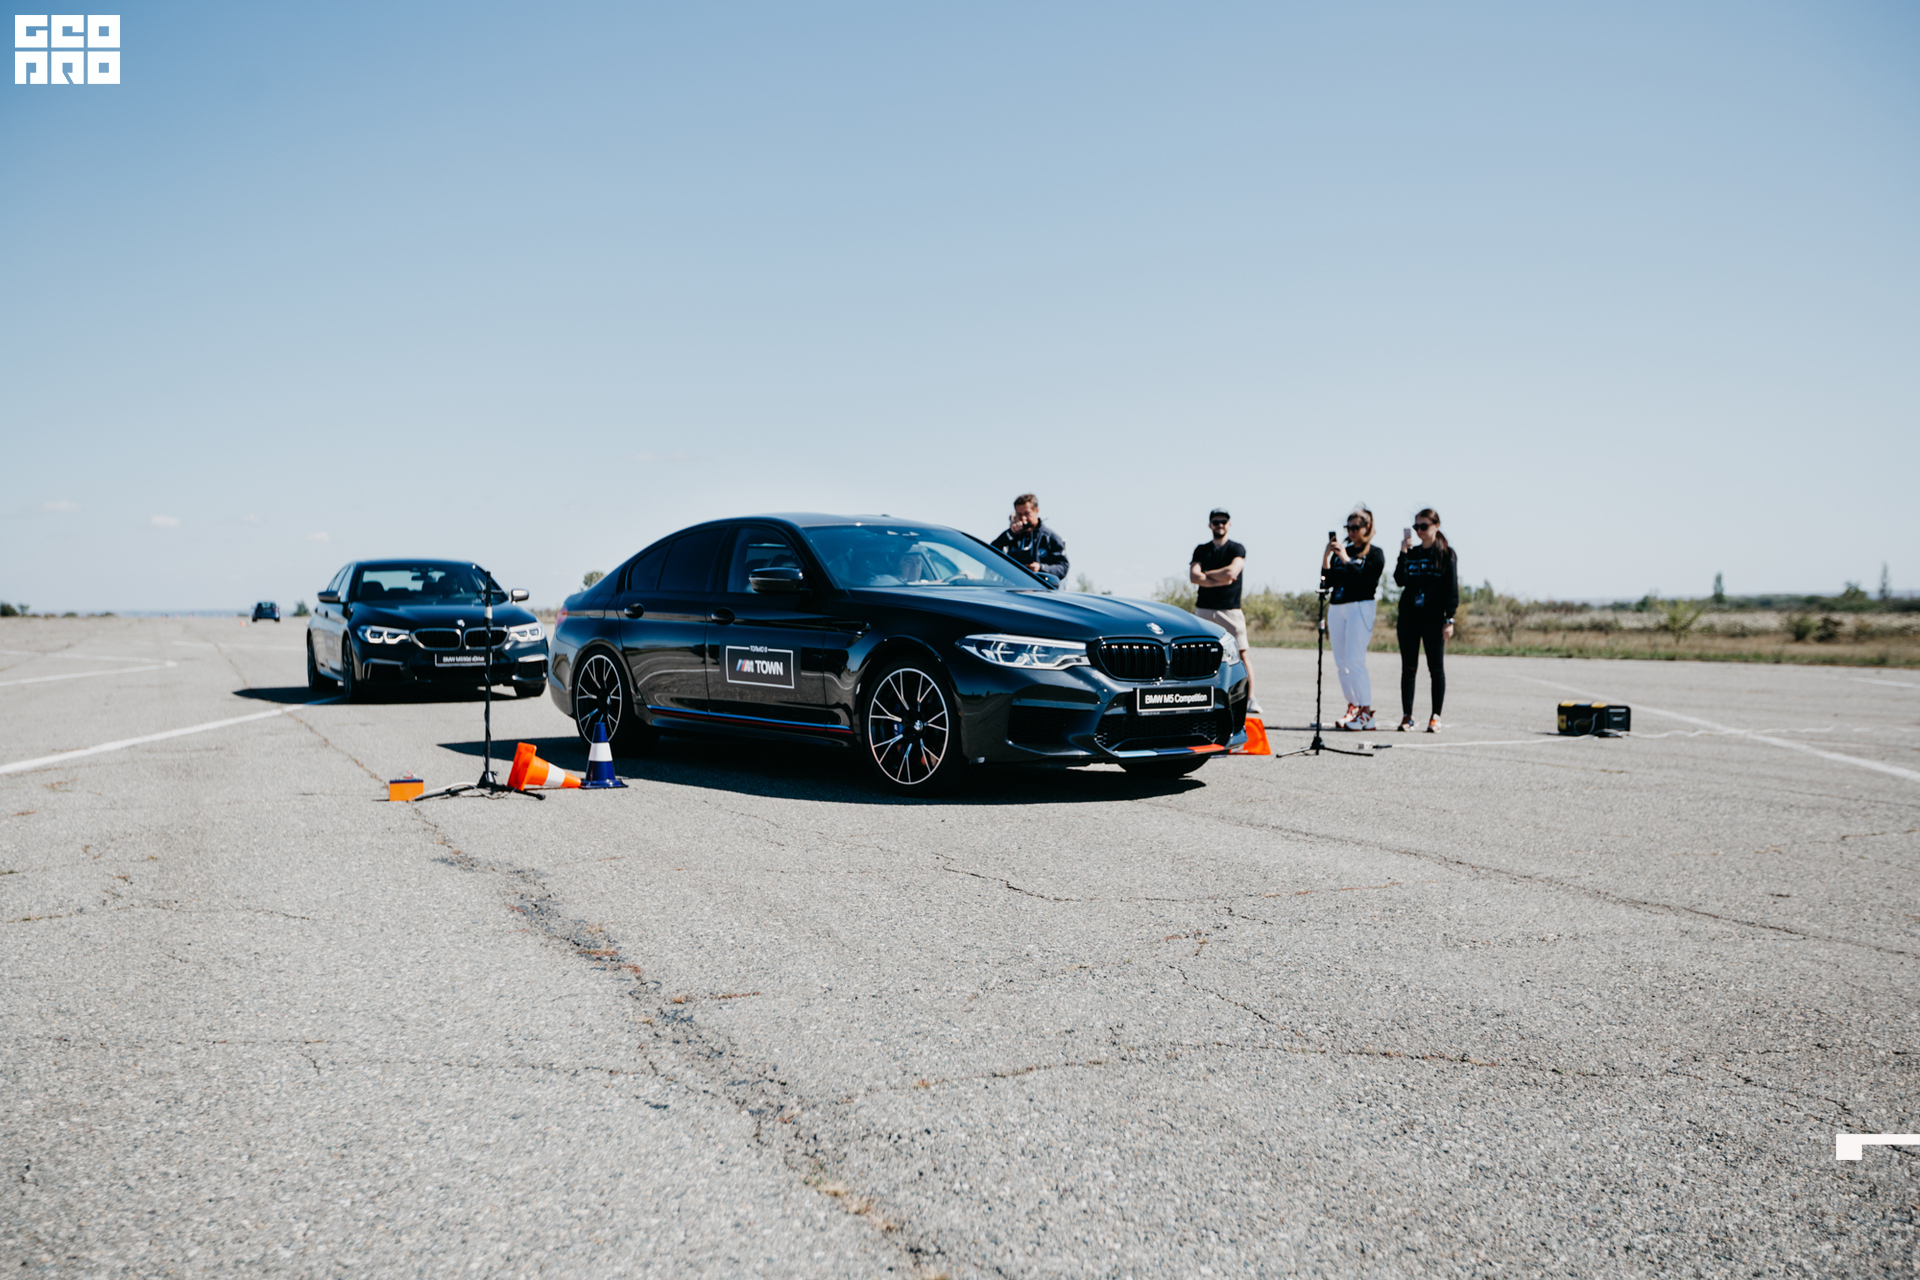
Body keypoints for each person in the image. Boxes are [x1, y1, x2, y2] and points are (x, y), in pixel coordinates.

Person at [1190, 508, 1260, 715]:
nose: (1220, 525)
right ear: (1210, 525)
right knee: (1199, 654)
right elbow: (1194, 576)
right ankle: (1198, 697)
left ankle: (1251, 698)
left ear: (1229, 524)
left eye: (1223, 521)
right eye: (1216, 521)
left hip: (1230, 610)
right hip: (1204, 609)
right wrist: (1219, 579)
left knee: (1241, 653)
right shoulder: (1201, 550)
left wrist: (1206, 575)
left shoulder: (1236, 548)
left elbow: (1232, 571)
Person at [1320, 504, 1384, 730]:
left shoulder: (1374, 553)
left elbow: (1366, 581)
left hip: (1360, 606)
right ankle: (1353, 706)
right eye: (1348, 528)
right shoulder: (1341, 552)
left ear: (1367, 527)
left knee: (1355, 659)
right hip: (1338, 606)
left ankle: (1367, 712)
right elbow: (1326, 580)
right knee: (1342, 663)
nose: (1351, 532)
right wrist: (1327, 555)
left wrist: (1346, 559)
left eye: (1356, 527)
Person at [1393, 508, 1457, 732]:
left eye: (1423, 526)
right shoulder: (1412, 553)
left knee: (1435, 668)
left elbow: (1452, 588)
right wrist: (1403, 552)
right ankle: (1407, 716)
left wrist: (1449, 618)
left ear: (1436, 526)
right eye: (1416, 526)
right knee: (1409, 668)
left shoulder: (1446, 554)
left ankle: (1435, 716)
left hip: (1433, 618)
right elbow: (1399, 579)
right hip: (1409, 618)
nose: (1419, 530)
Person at [990, 493, 1069, 582]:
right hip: (1013, 587)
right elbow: (990, 553)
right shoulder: (1011, 536)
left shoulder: (1050, 538)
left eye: (1027, 513)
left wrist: (1041, 568)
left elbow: (1063, 567)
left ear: (1036, 511)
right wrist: (1010, 534)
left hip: (1039, 587)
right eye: (1019, 514)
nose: (1023, 518)